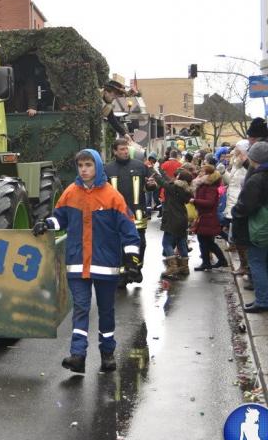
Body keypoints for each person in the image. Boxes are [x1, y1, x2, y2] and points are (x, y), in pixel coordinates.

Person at [32, 148, 140, 374]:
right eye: (80, 166)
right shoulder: (71, 193)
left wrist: (132, 260)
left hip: (105, 265)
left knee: (106, 311)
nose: (84, 170)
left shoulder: (112, 196)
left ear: (97, 166)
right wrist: (46, 224)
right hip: (78, 263)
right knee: (81, 308)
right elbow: (59, 219)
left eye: (88, 165)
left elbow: (129, 230)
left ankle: (107, 353)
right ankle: (78, 355)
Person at [104, 138, 155, 280]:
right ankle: (122, 275)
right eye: (122, 149)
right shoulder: (107, 169)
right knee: (119, 244)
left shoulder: (140, 166)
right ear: (115, 151)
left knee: (140, 243)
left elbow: (150, 186)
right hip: (116, 216)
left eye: (126, 148)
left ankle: (137, 268)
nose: (125, 151)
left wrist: (151, 185)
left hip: (137, 214)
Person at [232, 141, 268, 313]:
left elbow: (246, 206)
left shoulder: (257, 179)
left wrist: (235, 210)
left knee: (257, 263)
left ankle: (263, 300)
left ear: (255, 158)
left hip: (259, 228)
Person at [153, 168, 193, 277]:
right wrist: (162, 172)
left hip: (172, 218)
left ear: (179, 178)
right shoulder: (186, 190)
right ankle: (184, 267)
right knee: (181, 242)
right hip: (182, 218)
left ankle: (172, 267)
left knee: (166, 243)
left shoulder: (174, 188)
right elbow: (168, 180)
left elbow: (163, 183)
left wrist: (154, 173)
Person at [191, 164, 228, 271]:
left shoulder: (210, 187)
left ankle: (216, 261)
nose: (200, 173)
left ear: (208, 174)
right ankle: (208, 262)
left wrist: (195, 201)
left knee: (206, 241)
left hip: (208, 217)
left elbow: (210, 202)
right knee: (205, 241)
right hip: (204, 216)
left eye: (202, 171)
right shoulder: (204, 185)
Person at [224, 140, 250, 275]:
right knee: (236, 233)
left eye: (238, 152)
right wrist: (224, 173)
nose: (236, 154)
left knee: (240, 235)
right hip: (233, 200)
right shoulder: (236, 164)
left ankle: (245, 266)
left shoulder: (247, 166)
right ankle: (243, 265)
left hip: (240, 201)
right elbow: (231, 182)